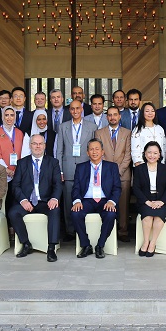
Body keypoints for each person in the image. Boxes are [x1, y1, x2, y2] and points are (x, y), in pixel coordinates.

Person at [7, 133, 62, 262]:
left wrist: (54, 198)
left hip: (45, 201)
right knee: (13, 213)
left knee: (55, 211)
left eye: (40, 144)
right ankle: (26, 244)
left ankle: (51, 248)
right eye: (35, 144)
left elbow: (58, 184)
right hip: (28, 201)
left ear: (44, 146)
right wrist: (23, 200)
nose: (38, 146)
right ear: (30, 145)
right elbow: (15, 185)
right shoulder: (22, 163)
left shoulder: (53, 162)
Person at [71, 138, 121, 259]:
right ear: (87, 152)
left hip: (105, 200)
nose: (94, 152)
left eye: (97, 149)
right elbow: (76, 188)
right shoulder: (81, 167)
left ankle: (100, 245)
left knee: (110, 214)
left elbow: (117, 188)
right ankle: (86, 245)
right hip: (87, 200)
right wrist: (77, 201)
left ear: (102, 151)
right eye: (91, 149)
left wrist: (112, 201)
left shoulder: (112, 167)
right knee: (75, 213)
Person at [55, 100, 97, 240]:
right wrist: (60, 171)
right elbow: (59, 151)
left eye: (78, 108)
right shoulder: (63, 127)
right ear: (69, 110)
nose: (75, 111)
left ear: (82, 109)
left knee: (85, 199)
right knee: (68, 201)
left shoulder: (92, 127)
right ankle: (70, 231)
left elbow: (94, 150)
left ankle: (83, 230)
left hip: (86, 168)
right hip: (68, 169)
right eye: (72, 109)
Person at [95, 106, 133, 241]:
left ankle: (123, 231)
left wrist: (117, 172)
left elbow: (128, 155)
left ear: (119, 116)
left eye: (115, 114)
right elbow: (99, 153)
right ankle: (108, 232)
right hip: (104, 175)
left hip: (123, 175)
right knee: (106, 203)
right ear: (107, 117)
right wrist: (109, 172)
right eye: (110, 115)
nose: (112, 117)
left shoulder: (127, 133)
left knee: (123, 205)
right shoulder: (99, 133)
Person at [132, 141, 166, 257]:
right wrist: (147, 202)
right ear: (145, 154)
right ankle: (146, 242)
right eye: (149, 152)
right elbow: (136, 188)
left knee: (159, 217)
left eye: (155, 153)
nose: (152, 155)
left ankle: (152, 243)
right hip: (145, 200)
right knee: (148, 217)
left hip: (161, 200)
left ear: (159, 155)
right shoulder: (139, 169)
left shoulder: (165, 168)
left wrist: (162, 201)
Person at [0, 106, 31, 183]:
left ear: (15, 117)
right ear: (3, 117)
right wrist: (6, 169)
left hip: (18, 171)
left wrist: (18, 169)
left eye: (12, 115)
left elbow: (24, 152)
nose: (9, 118)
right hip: (2, 171)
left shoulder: (19, 132)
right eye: (6, 115)